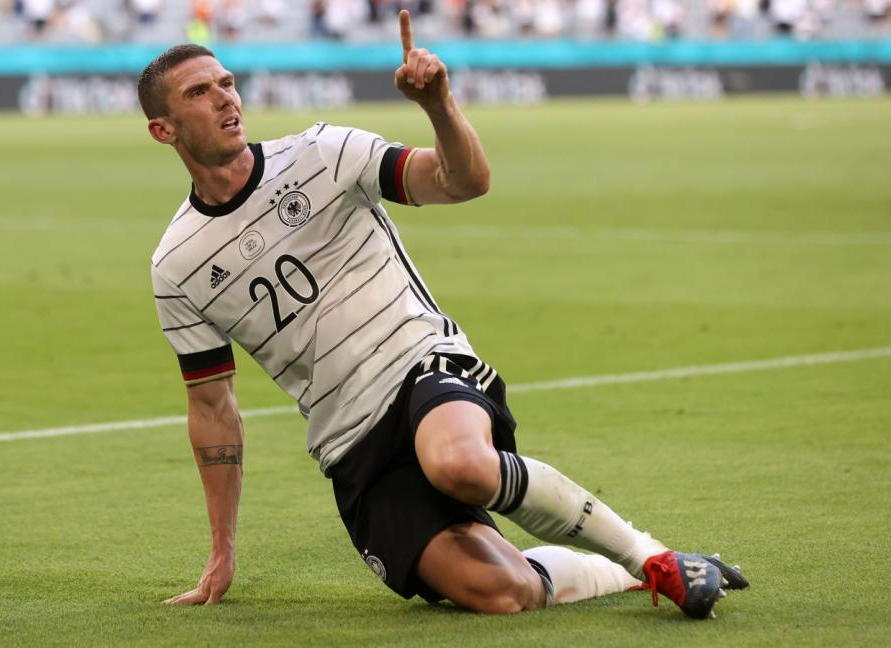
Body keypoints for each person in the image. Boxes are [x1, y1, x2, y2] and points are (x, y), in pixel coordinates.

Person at [139, 10, 749, 616]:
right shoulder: (177, 265)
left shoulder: (323, 154)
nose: (226, 98)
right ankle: (623, 572)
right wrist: (222, 549)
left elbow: (464, 181)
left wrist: (438, 107)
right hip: (351, 443)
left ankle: (652, 558)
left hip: (422, 367)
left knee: (459, 464)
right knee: (503, 592)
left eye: (227, 82)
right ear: (163, 130)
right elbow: (212, 409)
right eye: (200, 92)